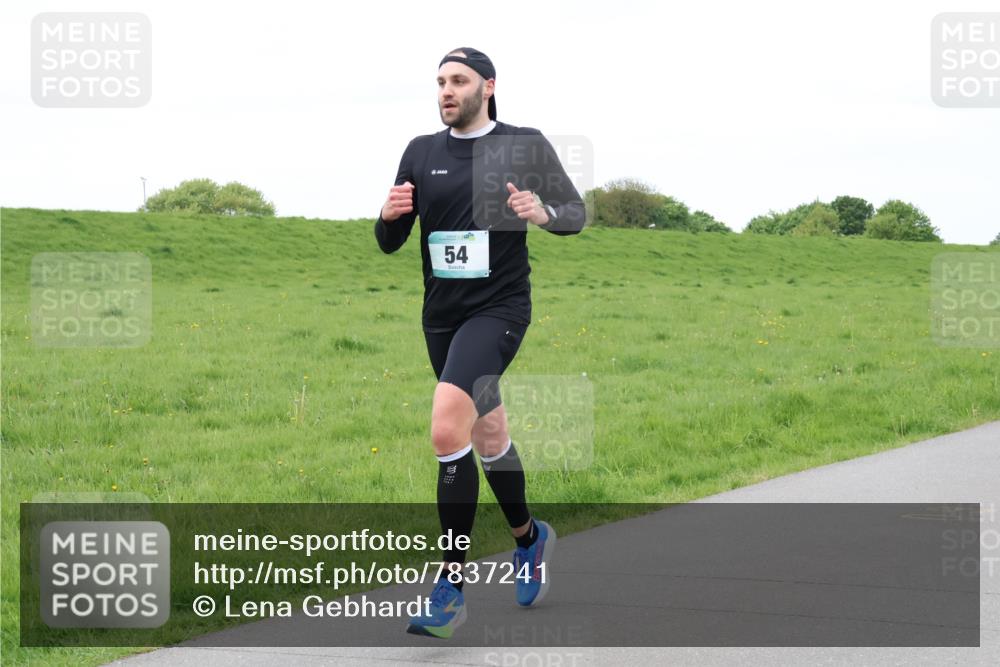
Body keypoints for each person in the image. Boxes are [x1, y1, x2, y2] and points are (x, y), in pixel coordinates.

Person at [374, 46, 586, 639]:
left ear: (487, 87)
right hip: (441, 317)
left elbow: (576, 212)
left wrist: (541, 213)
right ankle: (529, 537)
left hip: (499, 311)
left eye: (458, 80)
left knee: (446, 427)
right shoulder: (420, 151)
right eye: (440, 81)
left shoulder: (523, 144)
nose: (446, 90)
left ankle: (449, 587)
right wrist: (389, 215)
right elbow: (390, 242)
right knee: (487, 435)